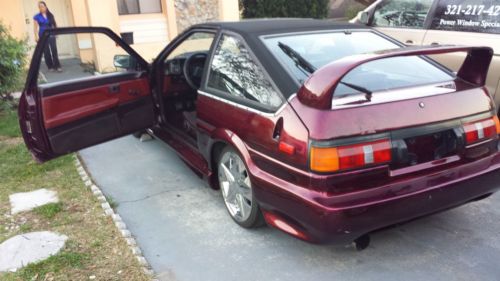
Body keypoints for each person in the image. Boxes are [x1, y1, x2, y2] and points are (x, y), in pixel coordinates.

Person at [33, 1, 62, 72]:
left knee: (54, 50)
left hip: (51, 34)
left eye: (42, 6)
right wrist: (36, 36)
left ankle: (57, 65)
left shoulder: (50, 15)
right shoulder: (36, 16)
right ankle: (50, 66)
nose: (41, 8)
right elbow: (35, 27)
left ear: (45, 7)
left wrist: (56, 33)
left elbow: (55, 24)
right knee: (46, 51)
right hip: (42, 35)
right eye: (39, 7)